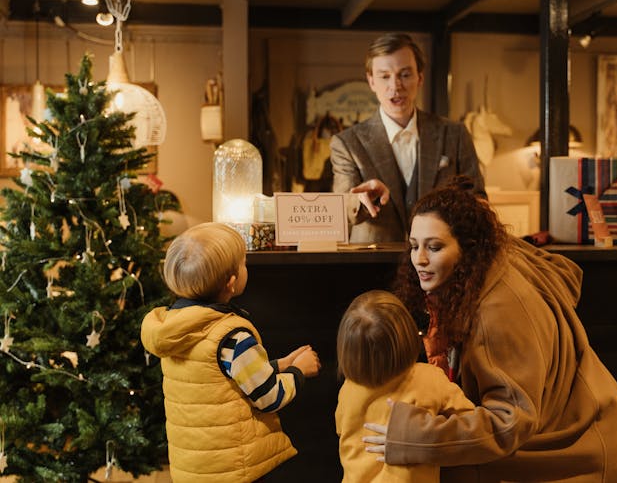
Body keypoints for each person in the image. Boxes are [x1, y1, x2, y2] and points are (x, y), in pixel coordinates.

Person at [362, 176, 617, 482]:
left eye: (434, 247)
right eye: (413, 246)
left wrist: (416, 436)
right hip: (592, 426)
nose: (419, 259)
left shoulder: (498, 311)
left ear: (468, 246)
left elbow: (511, 420)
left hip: (581, 453)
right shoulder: (493, 256)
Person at [141, 222, 321, 482]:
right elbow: (268, 397)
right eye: (243, 263)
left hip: (195, 467)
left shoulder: (175, 327)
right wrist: (298, 371)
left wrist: (279, 365)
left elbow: (220, 377)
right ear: (232, 282)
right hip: (234, 467)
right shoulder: (233, 337)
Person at [330, 32, 486, 243]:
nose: (395, 86)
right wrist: (360, 200)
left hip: (442, 264)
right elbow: (342, 209)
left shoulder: (455, 134)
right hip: (372, 265)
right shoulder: (347, 143)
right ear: (371, 81)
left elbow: (477, 202)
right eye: (384, 76)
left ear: (420, 77)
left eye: (404, 74)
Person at [335, 289, 475, 482]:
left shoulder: (347, 390)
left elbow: (342, 431)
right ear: (407, 335)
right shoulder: (429, 378)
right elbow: (471, 421)